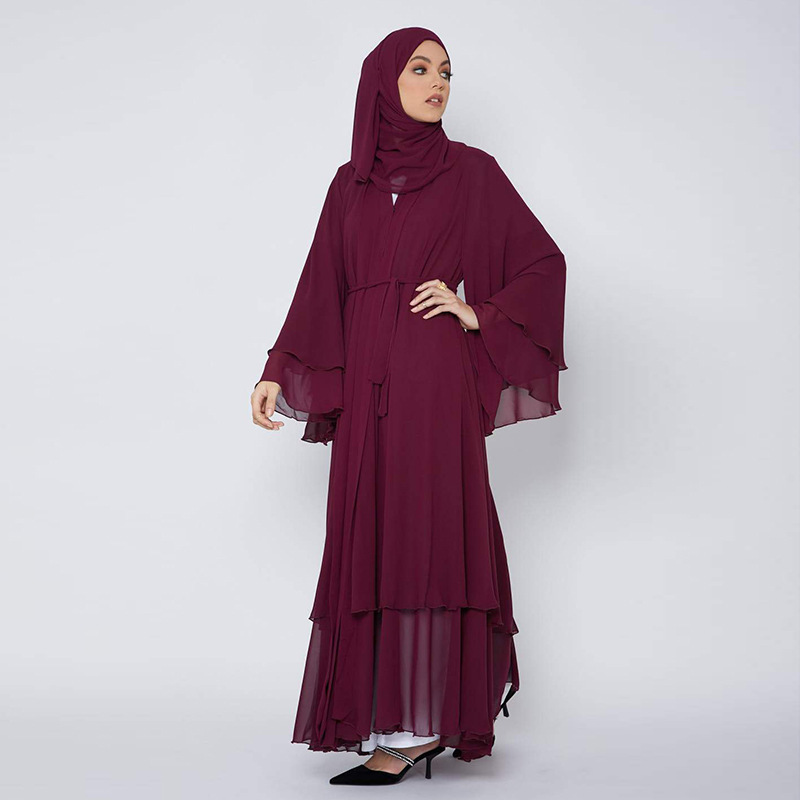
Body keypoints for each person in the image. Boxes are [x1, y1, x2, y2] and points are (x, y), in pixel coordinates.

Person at [250, 27, 568, 785]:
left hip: (433, 379)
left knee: (430, 531)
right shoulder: (349, 185)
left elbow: (542, 262)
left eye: (446, 72)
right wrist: (278, 368)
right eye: (420, 69)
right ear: (383, 83)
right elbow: (321, 286)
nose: (437, 83)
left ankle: (422, 726)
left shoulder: (472, 173)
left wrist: (477, 314)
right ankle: (392, 718)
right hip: (366, 383)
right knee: (373, 533)